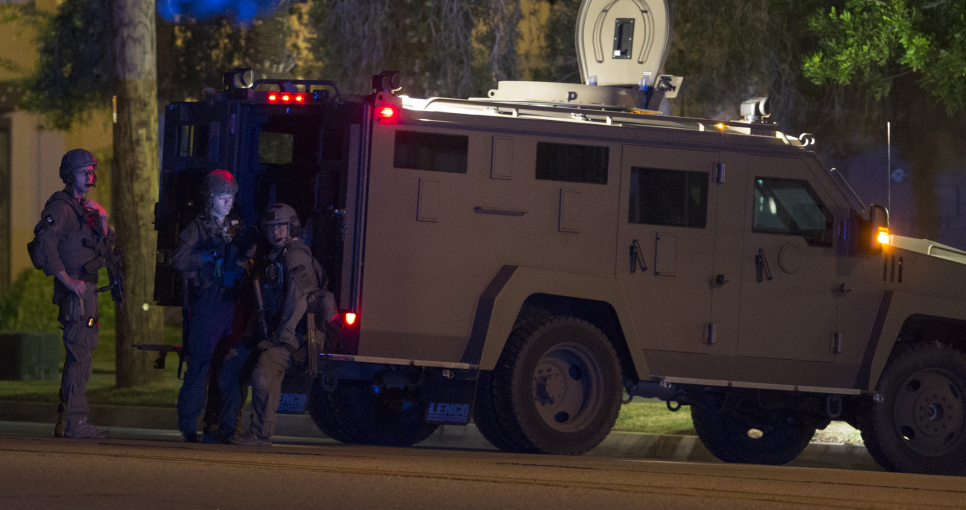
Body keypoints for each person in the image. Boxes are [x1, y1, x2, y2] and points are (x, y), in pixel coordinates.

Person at [32, 149, 110, 439]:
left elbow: (103, 243)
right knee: (79, 356)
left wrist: (102, 216)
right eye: (84, 173)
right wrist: (67, 280)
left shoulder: (84, 208)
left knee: (82, 355)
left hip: (87, 289)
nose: (90, 178)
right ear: (70, 175)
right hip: (76, 292)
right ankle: (75, 422)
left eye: (92, 172)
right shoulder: (62, 207)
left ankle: (68, 420)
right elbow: (46, 242)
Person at [232, 203, 320, 446]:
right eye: (270, 227)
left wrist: (281, 336)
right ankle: (227, 428)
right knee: (232, 363)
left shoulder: (295, 256)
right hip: (272, 332)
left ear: (291, 227)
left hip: (295, 334)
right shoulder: (274, 255)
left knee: (263, 374)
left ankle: (261, 434)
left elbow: (299, 300)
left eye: (281, 226)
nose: (275, 232)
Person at [173, 169, 249, 443]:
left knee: (231, 366)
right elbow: (180, 259)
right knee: (200, 365)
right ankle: (189, 426)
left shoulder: (236, 226)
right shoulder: (198, 228)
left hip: (231, 303)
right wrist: (207, 256)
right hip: (208, 302)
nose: (227, 202)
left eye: (230, 196)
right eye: (222, 197)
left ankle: (227, 427)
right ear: (210, 199)